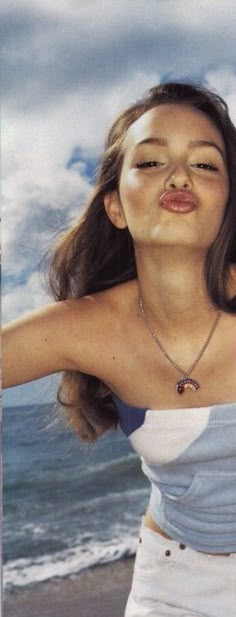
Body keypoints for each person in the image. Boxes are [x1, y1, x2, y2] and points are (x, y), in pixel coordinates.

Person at [3, 81, 236, 616]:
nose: (178, 175)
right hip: (175, 581)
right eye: (151, 162)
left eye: (205, 165)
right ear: (115, 207)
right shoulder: (87, 329)